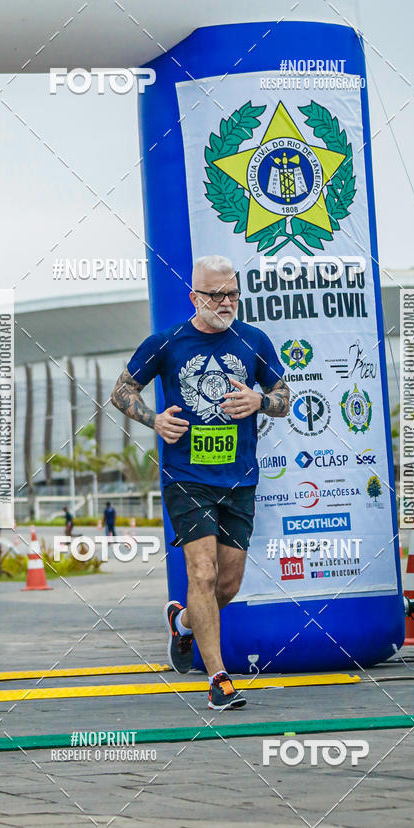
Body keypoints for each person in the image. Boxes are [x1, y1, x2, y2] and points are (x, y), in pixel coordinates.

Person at [111, 255, 289, 710]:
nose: (226, 302)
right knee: (202, 572)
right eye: (215, 295)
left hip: (239, 478)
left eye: (232, 294)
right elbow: (121, 391)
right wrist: (153, 419)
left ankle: (183, 621)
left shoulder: (254, 340)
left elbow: (285, 399)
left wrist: (260, 399)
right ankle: (219, 679)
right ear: (194, 297)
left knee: (226, 584)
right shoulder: (167, 342)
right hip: (187, 476)